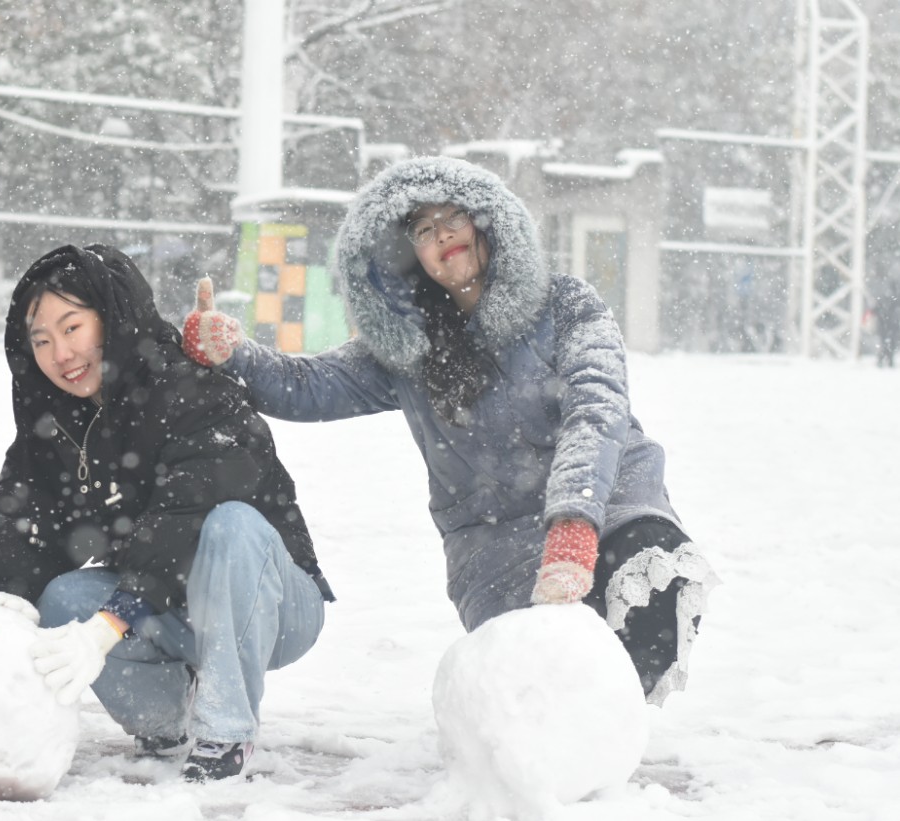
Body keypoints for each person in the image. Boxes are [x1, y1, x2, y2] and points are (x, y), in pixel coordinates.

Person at [182, 157, 718, 704]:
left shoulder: (567, 305)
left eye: (452, 218)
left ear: (487, 222)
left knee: (647, 588)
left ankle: (613, 729)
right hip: (494, 540)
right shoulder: (407, 350)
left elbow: (597, 410)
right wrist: (234, 353)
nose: (441, 235)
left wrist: (575, 522)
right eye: (422, 230)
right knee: (535, 682)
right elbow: (307, 385)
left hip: (607, 507)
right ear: (408, 257)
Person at [0, 244, 333, 781]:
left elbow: (186, 517)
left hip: (274, 610)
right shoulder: (57, 421)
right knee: (62, 597)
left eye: (72, 328)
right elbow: (19, 527)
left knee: (230, 525)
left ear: (112, 318)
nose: (61, 354)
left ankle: (227, 730)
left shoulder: (189, 385)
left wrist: (113, 620)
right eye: (41, 340)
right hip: (169, 610)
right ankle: (166, 719)